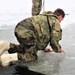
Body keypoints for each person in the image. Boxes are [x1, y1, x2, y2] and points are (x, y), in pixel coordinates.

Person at [0, 8, 65, 66]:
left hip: (20, 28)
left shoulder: (44, 17)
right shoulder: (55, 21)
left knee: (26, 48)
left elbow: (41, 36)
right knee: (32, 56)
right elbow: (54, 40)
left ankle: (6, 45)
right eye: (61, 20)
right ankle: (7, 58)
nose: (60, 22)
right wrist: (58, 49)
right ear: (59, 17)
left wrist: (43, 48)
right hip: (27, 33)